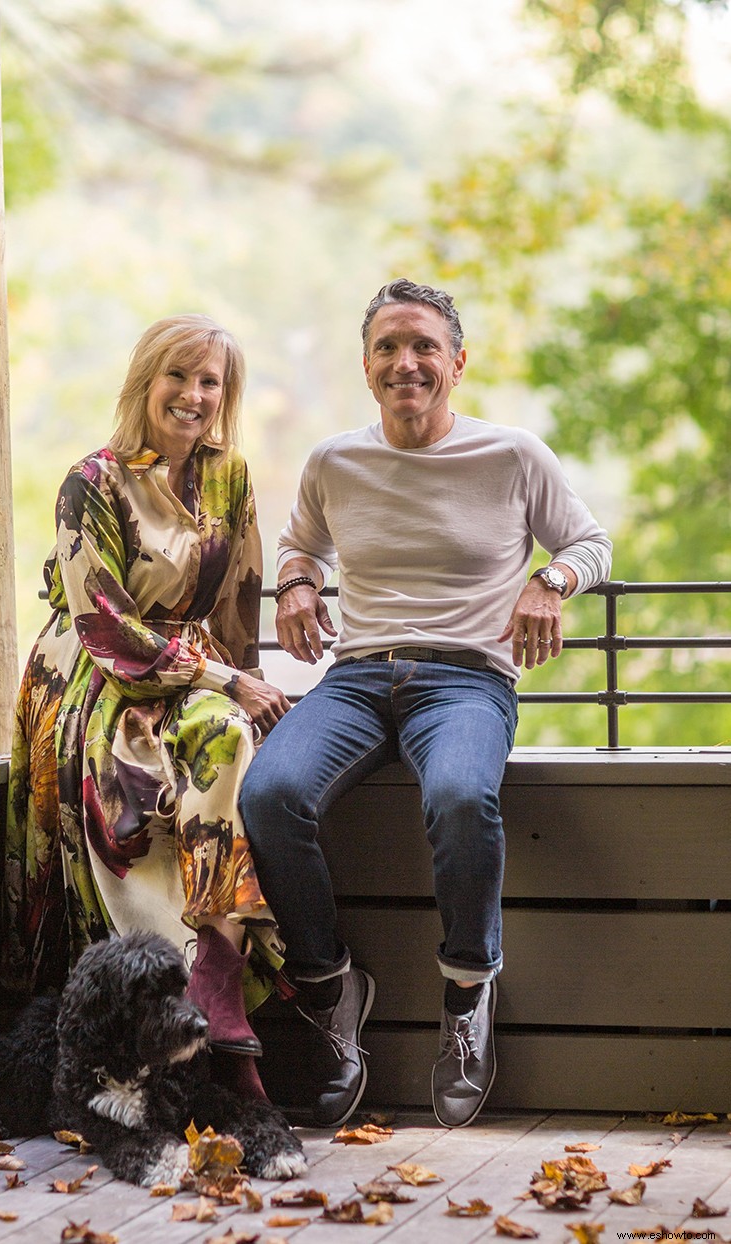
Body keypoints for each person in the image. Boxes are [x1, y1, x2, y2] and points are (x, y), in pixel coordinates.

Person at [239, 278, 612, 1129]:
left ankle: (467, 995)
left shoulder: (513, 454)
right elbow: (300, 542)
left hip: (467, 680)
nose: (406, 363)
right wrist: (298, 583)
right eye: (387, 349)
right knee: (269, 793)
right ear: (367, 366)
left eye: (424, 348)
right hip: (358, 678)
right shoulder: (336, 460)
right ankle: (331, 987)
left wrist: (550, 581)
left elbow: (590, 541)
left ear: (457, 363)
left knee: (458, 797)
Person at [3, 313, 291, 1100]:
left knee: (234, 740)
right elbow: (103, 624)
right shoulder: (90, 481)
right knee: (137, 801)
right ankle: (204, 1045)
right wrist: (226, 682)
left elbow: (239, 598)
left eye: (210, 382)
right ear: (146, 381)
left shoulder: (227, 476)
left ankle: (217, 979)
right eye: (179, 376)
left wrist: (248, 681)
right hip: (102, 678)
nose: (194, 395)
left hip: (196, 675)